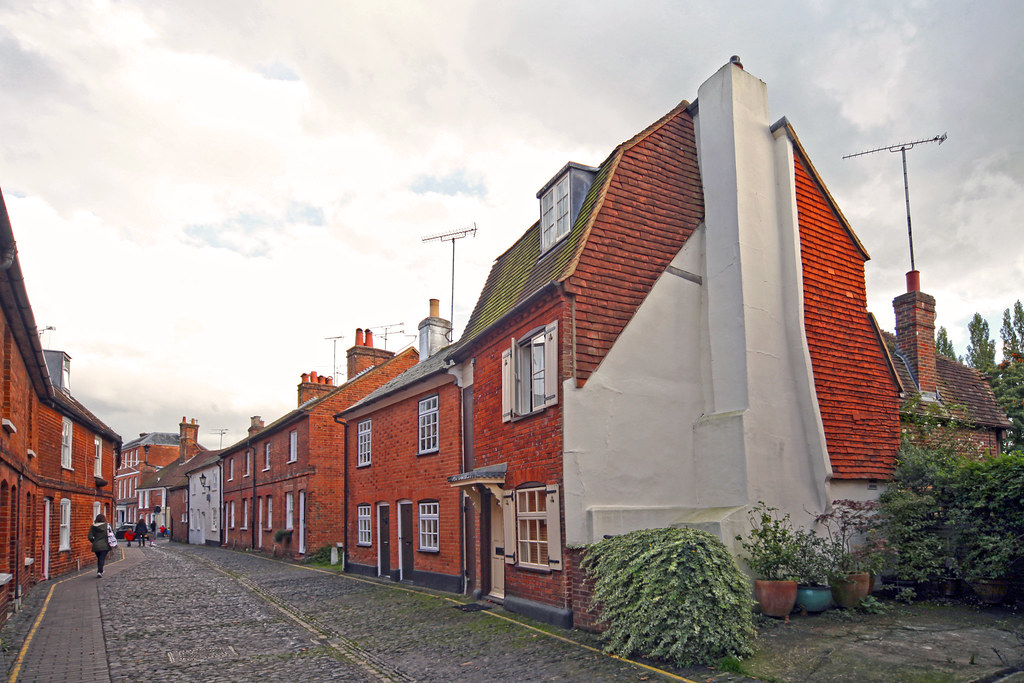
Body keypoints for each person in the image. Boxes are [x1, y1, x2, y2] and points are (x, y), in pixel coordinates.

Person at [88, 513, 112, 578]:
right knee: (102, 558)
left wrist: (94, 541)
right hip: (105, 545)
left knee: (99, 558)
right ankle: (99, 571)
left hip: (96, 546)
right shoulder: (107, 526)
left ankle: (100, 570)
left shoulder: (93, 526)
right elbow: (111, 534)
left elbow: (90, 537)